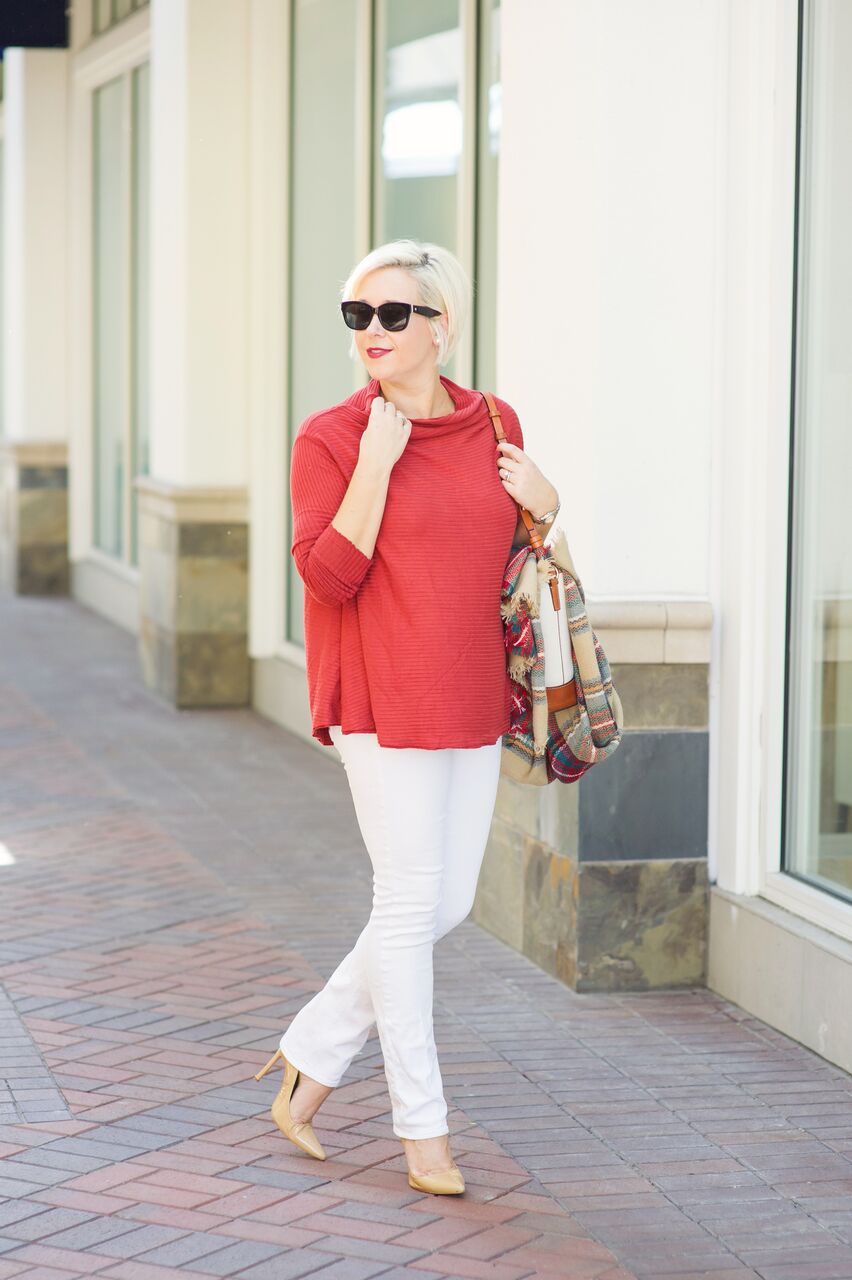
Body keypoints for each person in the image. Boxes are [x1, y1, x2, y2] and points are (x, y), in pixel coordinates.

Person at [254, 239, 561, 1195]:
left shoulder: (494, 421)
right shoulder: (332, 437)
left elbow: (507, 552)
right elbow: (328, 576)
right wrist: (377, 469)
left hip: (471, 691)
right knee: (404, 900)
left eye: (394, 315)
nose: (373, 334)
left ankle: (307, 1061)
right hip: (380, 698)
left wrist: (547, 509)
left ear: (442, 325)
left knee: (446, 905)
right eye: (358, 316)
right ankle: (421, 1128)